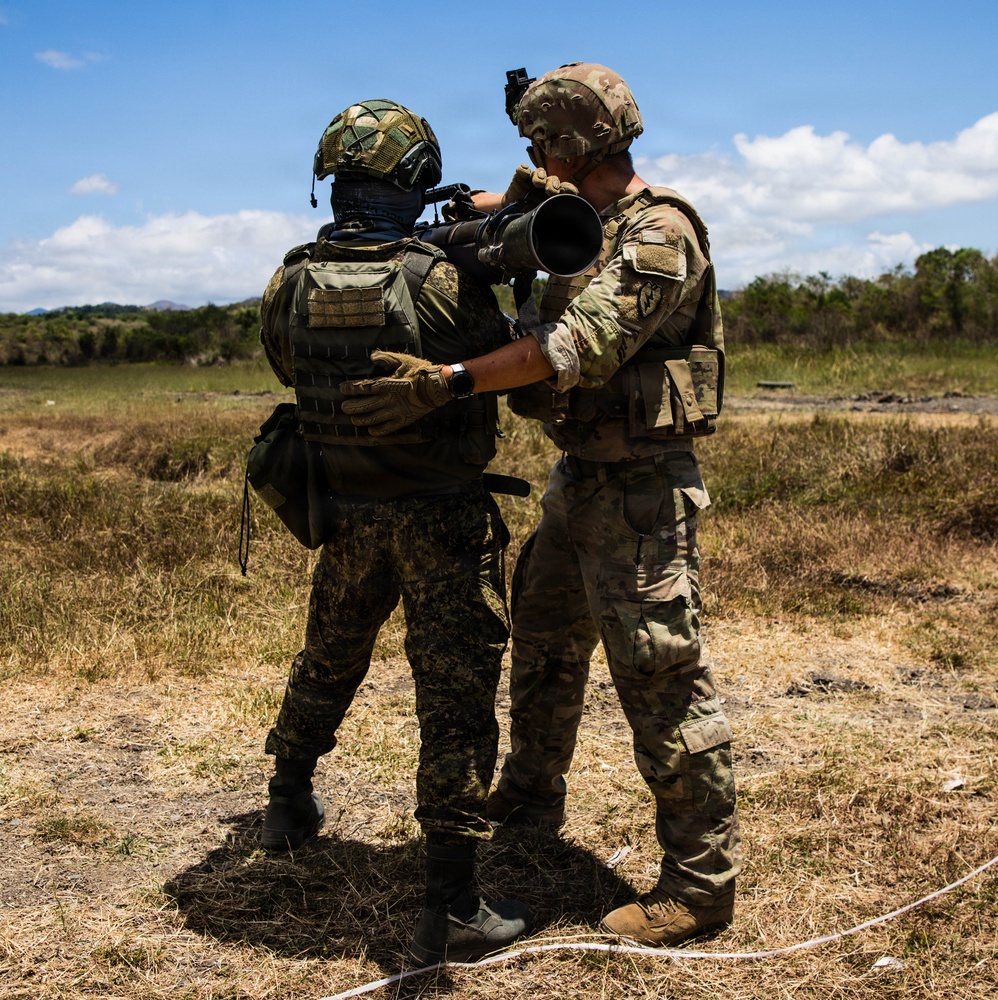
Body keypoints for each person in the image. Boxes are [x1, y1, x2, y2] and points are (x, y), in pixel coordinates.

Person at [340, 64, 742, 948]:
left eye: (539, 142)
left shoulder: (659, 234)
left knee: (661, 677)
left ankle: (701, 885)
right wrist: (493, 216)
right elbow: (543, 245)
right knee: (546, 636)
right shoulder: (589, 221)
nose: (531, 156)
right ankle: (528, 791)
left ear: (574, 142)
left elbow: (573, 345)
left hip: (640, 491)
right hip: (582, 481)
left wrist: (450, 381)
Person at [257, 98, 531, 964]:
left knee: (328, 656)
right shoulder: (444, 280)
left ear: (332, 181)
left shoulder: (290, 279)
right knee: (453, 700)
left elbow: (285, 365)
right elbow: (506, 373)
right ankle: (452, 897)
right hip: (443, 518)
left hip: (346, 511)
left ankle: (287, 801)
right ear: (415, 181)